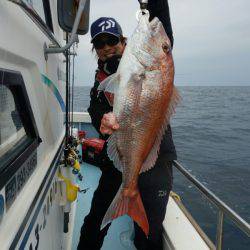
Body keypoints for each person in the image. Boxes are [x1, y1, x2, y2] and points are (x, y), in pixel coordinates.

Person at [77, 1, 176, 249]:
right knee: (93, 224)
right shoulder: (101, 83)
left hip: (154, 158)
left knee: (148, 233)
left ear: (124, 41)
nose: (107, 48)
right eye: (100, 43)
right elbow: (95, 106)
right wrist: (102, 119)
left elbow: (160, 23)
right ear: (95, 50)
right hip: (119, 160)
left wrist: (150, 4)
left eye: (112, 41)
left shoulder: (150, 61)